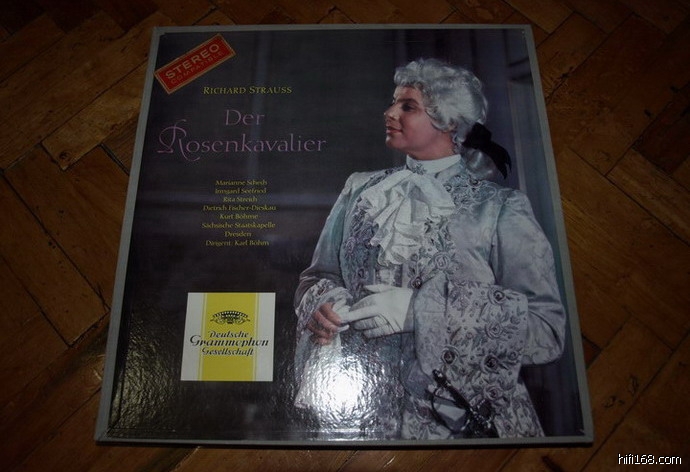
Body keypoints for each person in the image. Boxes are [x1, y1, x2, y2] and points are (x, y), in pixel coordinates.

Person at [293, 58, 566, 440]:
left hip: (463, 428)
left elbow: (546, 330)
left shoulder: (499, 207)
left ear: (449, 122)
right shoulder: (360, 189)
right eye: (394, 102)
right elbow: (317, 277)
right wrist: (325, 306)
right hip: (363, 417)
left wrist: (422, 311)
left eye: (408, 106)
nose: (390, 112)